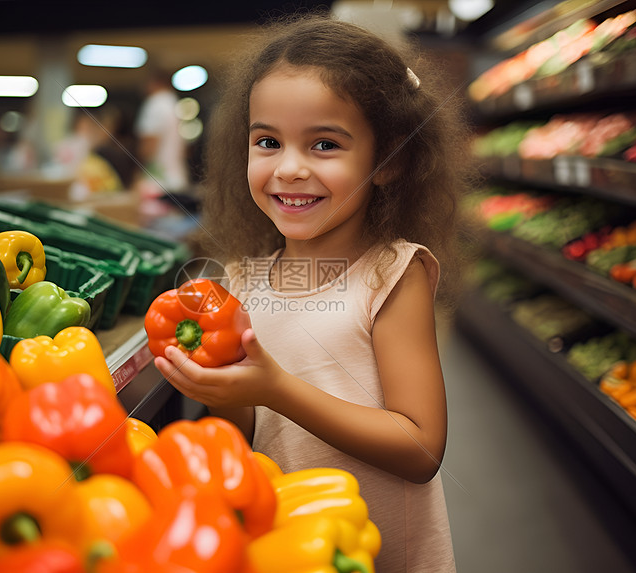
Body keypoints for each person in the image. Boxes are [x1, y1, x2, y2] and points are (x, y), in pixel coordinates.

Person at [153, 15, 473, 573]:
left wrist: (275, 387)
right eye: (268, 142)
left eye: (324, 144)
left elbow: (421, 449)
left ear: (390, 161)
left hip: (374, 551)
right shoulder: (244, 280)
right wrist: (221, 392)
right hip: (286, 546)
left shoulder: (393, 275)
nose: (290, 169)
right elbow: (246, 437)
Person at [134, 68, 189, 192]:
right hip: (177, 177)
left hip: (157, 181)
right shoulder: (174, 103)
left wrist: (137, 175)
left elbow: (149, 144)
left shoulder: (155, 104)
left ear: (154, 83)